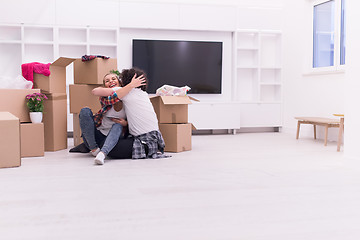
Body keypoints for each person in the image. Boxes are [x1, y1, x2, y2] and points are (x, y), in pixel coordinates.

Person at [92, 67, 168, 159]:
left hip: (144, 142)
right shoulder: (143, 94)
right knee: (113, 139)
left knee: (109, 146)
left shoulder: (126, 92)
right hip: (153, 142)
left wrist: (130, 85)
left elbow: (96, 91)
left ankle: (97, 151)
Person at [79, 72, 144, 165]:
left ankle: (102, 154)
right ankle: (94, 149)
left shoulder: (130, 98)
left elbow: (135, 119)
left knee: (117, 125)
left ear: (119, 81)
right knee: (85, 111)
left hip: (115, 137)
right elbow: (111, 98)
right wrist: (129, 86)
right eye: (107, 81)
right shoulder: (105, 97)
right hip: (98, 135)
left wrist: (125, 123)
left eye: (114, 79)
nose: (111, 81)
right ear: (105, 86)